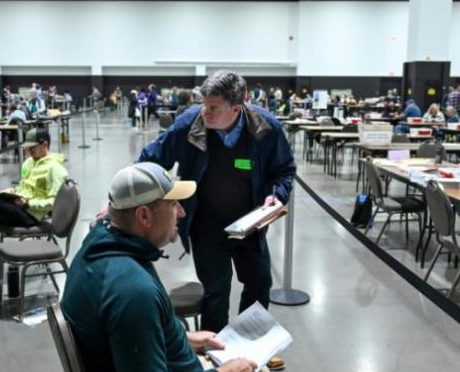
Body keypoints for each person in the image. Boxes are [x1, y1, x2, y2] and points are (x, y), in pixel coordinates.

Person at [137, 70, 295, 333]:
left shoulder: (266, 128)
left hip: (249, 223)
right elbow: (150, 159)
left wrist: (276, 195)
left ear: (237, 107)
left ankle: (249, 343)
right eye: (203, 104)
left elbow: (284, 169)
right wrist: (126, 196)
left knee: (259, 284)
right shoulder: (190, 124)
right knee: (216, 290)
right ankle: (216, 351)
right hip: (205, 224)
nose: (205, 113)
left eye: (214, 108)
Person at [62, 162, 257, 372]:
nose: (182, 213)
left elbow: (132, 335)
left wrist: (183, 338)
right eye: (173, 204)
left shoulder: (100, 243)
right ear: (144, 215)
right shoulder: (132, 291)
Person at [0, 128, 67, 229]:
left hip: (31, 215)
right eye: (27, 147)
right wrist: (12, 191)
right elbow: (24, 187)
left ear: (45, 144)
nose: (29, 151)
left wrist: (29, 203)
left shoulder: (55, 168)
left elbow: (56, 201)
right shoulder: (28, 163)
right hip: (18, 207)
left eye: (32, 147)